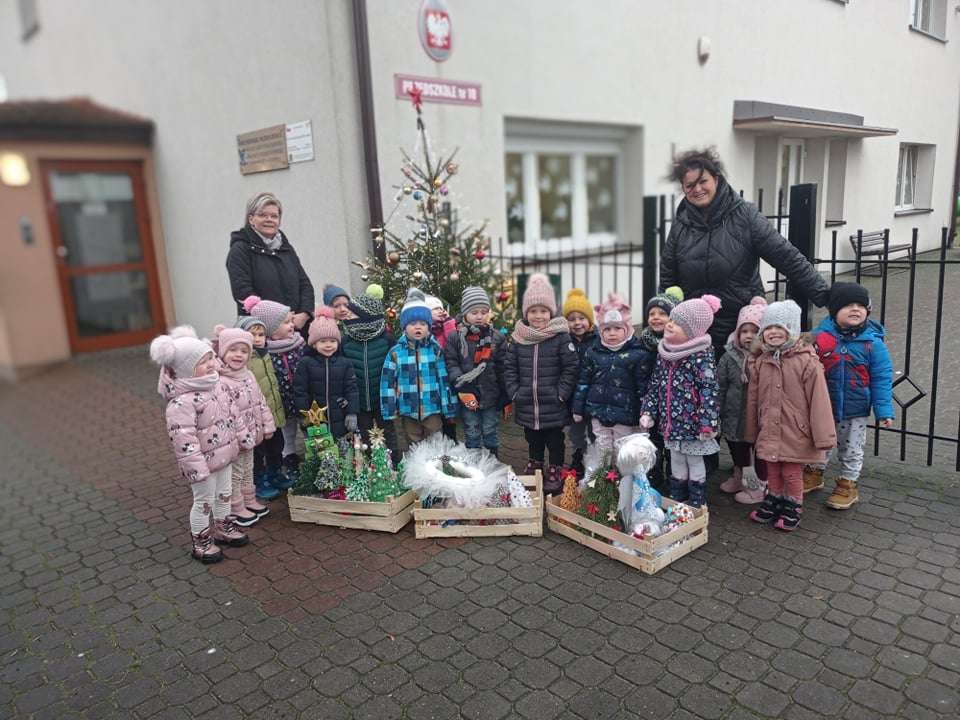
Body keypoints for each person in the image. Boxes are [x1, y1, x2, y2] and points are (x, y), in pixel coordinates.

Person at [659, 148, 829, 353]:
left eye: (703, 181)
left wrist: (828, 297)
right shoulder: (681, 223)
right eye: (690, 185)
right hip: (695, 331)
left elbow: (787, 257)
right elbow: (668, 276)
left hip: (742, 328)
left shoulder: (745, 216)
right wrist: (663, 316)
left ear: (716, 179)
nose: (698, 189)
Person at [150, 326, 246, 564]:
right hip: (202, 464)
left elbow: (232, 413)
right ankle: (201, 541)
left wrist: (241, 436)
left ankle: (223, 526)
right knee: (204, 501)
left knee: (224, 494)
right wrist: (196, 468)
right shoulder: (181, 403)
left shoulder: (215, 384)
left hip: (224, 454)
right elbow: (183, 438)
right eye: (204, 362)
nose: (212, 364)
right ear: (186, 369)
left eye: (211, 357)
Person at [745, 301, 836, 531]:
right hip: (769, 428)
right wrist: (752, 429)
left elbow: (819, 400)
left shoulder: (806, 361)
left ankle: (793, 505)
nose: (773, 332)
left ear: (792, 330)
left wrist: (824, 437)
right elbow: (753, 398)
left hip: (795, 430)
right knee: (773, 469)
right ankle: (774, 498)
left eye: (780, 327)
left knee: (792, 472)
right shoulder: (761, 360)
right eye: (768, 328)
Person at [807, 282, 894, 510]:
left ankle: (848, 484)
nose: (855, 309)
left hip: (855, 409)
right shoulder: (820, 337)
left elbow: (882, 378)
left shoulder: (873, 344)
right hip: (824, 405)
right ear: (834, 311)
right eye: (848, 305)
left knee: (851, 448)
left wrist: (884, 410)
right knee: (819, 441)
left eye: (860, 305)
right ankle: (815, 472)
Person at [640, 296, 722, 508]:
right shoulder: (665, 353)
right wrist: (648, 411)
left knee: (694, 461)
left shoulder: (701, 356)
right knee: (676, 460)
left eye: (677, 324)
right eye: (672, 320)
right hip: (670, 423)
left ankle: (696, 501)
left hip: (693, 425)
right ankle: (678, 498)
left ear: (692, 332)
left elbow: (709, 391)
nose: (669, 325)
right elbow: (655, 384)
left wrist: (708, 423)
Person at [503, 273, 580, 495]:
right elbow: (509, 367)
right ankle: (535, 463)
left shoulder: (560, 337)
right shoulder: (519, 338)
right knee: (532, 438)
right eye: (533, 311)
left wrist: (561, 394)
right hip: (527, 402)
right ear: (526, 313)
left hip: (553, 402)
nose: (538, 316)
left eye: (543, 311)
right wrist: (514, 392)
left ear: (551, 312)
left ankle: (555, 468)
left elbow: (571, 367)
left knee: (555, 440)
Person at [573, 293, 654, 452]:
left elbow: (643, 387)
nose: (612, 333)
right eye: (607, 329)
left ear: (627, 329)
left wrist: (646, 413)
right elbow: (583, 382)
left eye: (617, 328)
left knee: (622, 447)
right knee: (602, 446)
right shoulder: (593, 352)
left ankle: (619, 468)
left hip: (625, 413)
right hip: (597, 411)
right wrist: (577, 408)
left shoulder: (638, 354)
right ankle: (603, 468)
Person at [212, 325, 275, 527]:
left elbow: (260, 401)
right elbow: (229, 414)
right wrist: (242, 435)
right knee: (236, 473)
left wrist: (267, 423)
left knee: (249, 468)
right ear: (222, 351)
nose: (238, 355)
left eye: (244, 351)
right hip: (235, 439)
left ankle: (249, 500)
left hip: (251, 434)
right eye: (233, 350)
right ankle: (236, 506)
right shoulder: (221, 381)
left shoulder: (248, 374)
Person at [226, 192, 314, 333]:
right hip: (261, 332)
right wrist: (281, 319)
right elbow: (243, 293)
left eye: (274, 216)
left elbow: (305, 284)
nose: (269, 220)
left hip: (296, 330)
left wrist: (304, 313)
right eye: (262, 215)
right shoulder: (240, 249)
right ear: (251, 219)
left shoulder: (286, 248)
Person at [242, 295, 305, 486]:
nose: (291, 325)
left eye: (291, 321)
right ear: (271, 328)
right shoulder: (266, 352)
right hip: (280, 401)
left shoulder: (299, 343)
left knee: (308, 426)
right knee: (286, 431)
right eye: (286, 322)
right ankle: (290, 458)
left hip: (302, 397)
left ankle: (314, 458)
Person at [380, 289, 457, 445]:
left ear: (429, 327)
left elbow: (444, 380)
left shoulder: (435, 350)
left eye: (423, 324)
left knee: (436, 445)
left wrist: (448, 406)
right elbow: (387, 382)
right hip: (408, 410)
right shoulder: (395, 353)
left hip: (432, 409)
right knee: (414, 446)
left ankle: (436, 461)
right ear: (404, 326)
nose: (418, 327)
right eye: (412, 323)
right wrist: (389, 409)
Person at [717, 296, 767, 504]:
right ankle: (739, 478)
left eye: (754, 331)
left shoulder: (766, 357)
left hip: (755, 417)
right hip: (733, 414)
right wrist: (717, 409)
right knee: (737, 450)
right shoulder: (729, 356)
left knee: (755, 454)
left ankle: (755, 487)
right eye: (744, 331)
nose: (749, 336)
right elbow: (720, 385)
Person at [445, 286, 505, 456]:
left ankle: (492, 459)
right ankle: (473, 460)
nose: (479, 316)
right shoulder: (456, 337)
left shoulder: (497, 337)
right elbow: (452, 362)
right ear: (465, 313)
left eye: (484, 312)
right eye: (474, 312)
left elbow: (502, 366)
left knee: (490, 428)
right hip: (467, 393)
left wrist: (504, 393)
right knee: (471, 429)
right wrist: (462, 385)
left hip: (490, 394)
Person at [340, 284, 399, 456]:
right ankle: (367, 464)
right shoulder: (346, 342)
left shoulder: (386, 340)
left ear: (365, 317)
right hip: (359, 402)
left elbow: (396, 368)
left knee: (388, 434)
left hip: (382, 400)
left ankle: (395, 462)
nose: (347, 317)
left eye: (352, 314)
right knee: (363, 438)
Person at [637, 286, 684, 490]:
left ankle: (674, 480)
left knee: (671, 446)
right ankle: (654, 478)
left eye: (662, 313)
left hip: (671, 404)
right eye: (652, 313)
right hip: (648, 401)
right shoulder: (642, 342)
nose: (656, 317)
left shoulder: (678, 344)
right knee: (652, 443)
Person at [237, 315, 285, 503]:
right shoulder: (245, 360)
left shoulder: (267, 354)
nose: (257, 339)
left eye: (261, 334)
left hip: (273, 412)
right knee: (259, 451)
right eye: (252, 334)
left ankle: (275, 473)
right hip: (255, 417)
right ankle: (259, 480)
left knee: (277, 446)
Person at [294, 307, 359, 440]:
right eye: (323, 341)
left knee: (341, 446)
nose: (328, 345)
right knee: (320, 446)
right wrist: (303, 414)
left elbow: (351, 389)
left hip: (340, 416)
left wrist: (352, 412)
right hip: (316, 419)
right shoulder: (305, 363)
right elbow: (300, 391)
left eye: (332, 341)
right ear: (314, 344)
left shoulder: (345, 363)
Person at [562, 288, 597, 476]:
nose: (577, 323)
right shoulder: (564, 341)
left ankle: (595, 460)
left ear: (589, 320)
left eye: (581, 318)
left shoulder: (598, 340)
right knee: (576, 431)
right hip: (572, 395)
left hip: (592, 394)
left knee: (594, 431)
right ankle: (578, 457)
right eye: (572, 319)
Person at [426, 294, 459, 442]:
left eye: (441, 308)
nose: (440, 310)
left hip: (446, 380)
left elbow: (454, 342)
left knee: (449, 419)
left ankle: (451, 444)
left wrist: (448, 323)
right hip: (432, 380)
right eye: (435, 309)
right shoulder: (425, 331)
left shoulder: (447, 327)